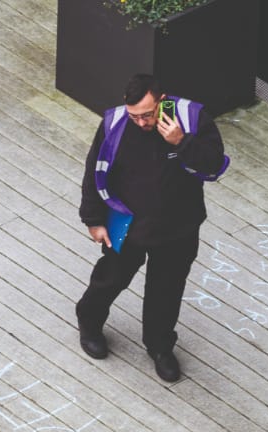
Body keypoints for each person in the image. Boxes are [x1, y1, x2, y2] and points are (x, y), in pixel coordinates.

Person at [75, 74, 226, 382]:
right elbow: (95, 171)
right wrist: (93, 220)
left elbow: (213, 164)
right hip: (126, 222)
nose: (142, 123)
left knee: (166, 291)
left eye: (147, 114)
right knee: (110, 279)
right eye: (135, 116)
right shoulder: (115, 123)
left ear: (162, 100)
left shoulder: (191, 119)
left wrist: (181, 142)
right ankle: (89, 322)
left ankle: (160, 347)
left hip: (178, 227)